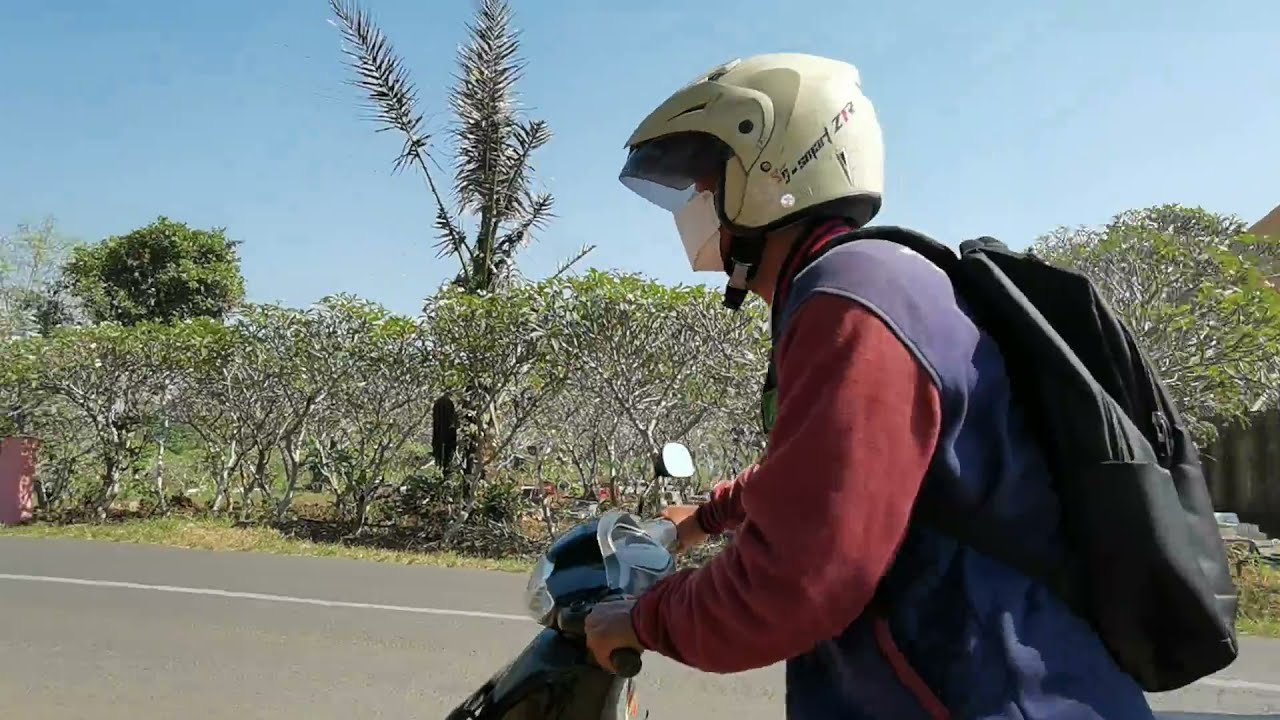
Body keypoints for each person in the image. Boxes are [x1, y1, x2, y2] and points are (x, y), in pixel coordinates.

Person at [584, 53, 1155, 720]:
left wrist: (644, 620)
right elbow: (820, 470)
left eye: (707, 177)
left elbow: (797, 581)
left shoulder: (851, 298)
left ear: (772, 169)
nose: (695, 203)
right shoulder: (865, 283)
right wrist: (705, 520)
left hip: (987, 698)